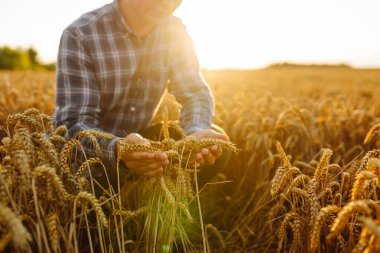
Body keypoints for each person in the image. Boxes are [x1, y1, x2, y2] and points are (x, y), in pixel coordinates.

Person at [54, 0, 230, 188]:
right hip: (89, 159)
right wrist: (117, 149)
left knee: (213, 140)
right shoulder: (81, 34)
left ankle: (164, 212)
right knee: (93, 202)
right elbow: (72, 124)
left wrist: (196, 131)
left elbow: (195, 92)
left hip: (143, 144)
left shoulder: (174, 30)